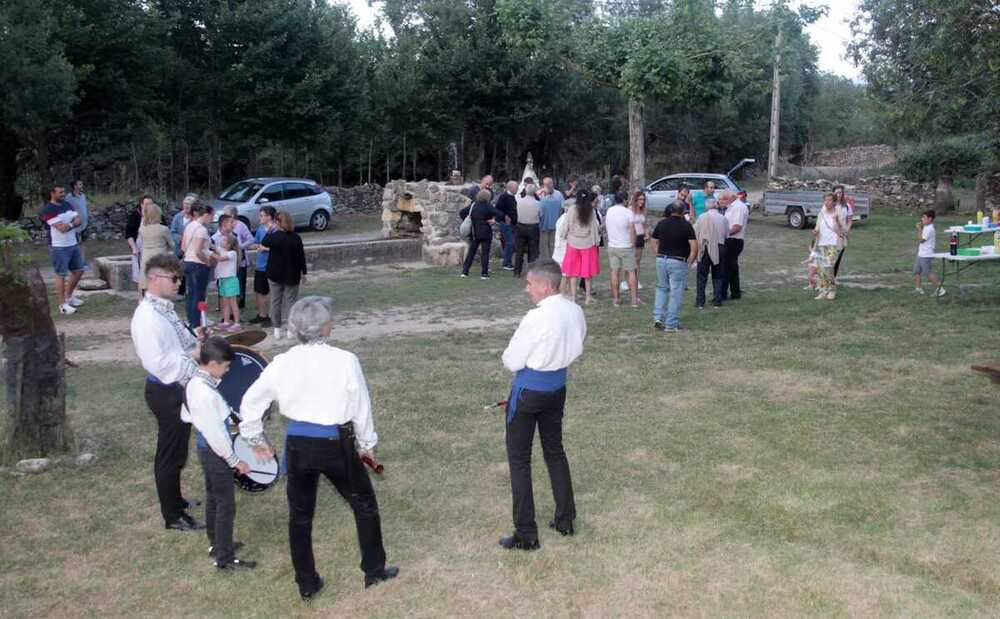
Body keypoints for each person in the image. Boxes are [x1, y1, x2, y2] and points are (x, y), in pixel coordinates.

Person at [239, 296, 398, 600]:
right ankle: (374, 571)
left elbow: (250, 402)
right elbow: (360, 408)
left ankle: (307, 583)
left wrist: (255, 439)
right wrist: (367, 445)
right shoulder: (345, 360)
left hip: (298, 446)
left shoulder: (283, 363)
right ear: (326, 328)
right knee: (364, 506)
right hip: (334, 443)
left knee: (300, 515)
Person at [499, 260, 586, 550]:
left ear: (546, 286)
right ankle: (565, 518)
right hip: (556, 388)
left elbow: (511, 359)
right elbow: (578, 343)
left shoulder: (536, 318)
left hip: (529, 391)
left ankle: (526, 533)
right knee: (554, 450)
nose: (527, 289)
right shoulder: (574, 310)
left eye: (530, 284)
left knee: (519, 459)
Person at [130, 253, 204, 532]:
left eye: (179, 278)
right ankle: (172, 516)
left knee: (177, 451)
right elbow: (158, 364)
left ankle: (177, 501)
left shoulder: (164, 308)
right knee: (169, 454)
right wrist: (194, 356)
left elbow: (178, 343)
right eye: (174, 279)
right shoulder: (146, 317)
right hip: (165, 390)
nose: (178, 284)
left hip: (178, 387)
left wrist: (195, 336)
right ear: (154, 279)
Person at [186, 336, 257, 570]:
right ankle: (225, 558)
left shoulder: (196, 383)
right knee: (226, 504)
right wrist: (235, 460)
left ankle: (217, 544)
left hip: (206, 448)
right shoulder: (205, 393)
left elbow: (185, 414)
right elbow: (216, 434)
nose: (227, 372)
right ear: (213, 364)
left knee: (214, 497)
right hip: (215, 452)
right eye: (226, 367)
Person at [651, 202, 698, 332]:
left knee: (661, 288)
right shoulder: (686, 226)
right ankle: (671, 324)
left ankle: (658, 317)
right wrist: (689, 262)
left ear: (671, 210)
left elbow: (653, 240)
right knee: (675, 292)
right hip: (678, 261)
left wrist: (658, 254)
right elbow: (694, 247)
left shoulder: (662, 223)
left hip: (662, 260)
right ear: (683, 211)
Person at [40, 183, 86, 315]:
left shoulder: (67, 205)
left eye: (63, 191)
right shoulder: (48, 210)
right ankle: (62, 305)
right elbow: (62, 228)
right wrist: (72, 223)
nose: (63, 194)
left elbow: (79, 220)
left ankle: (69, 297)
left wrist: (70, 224)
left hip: (73, 243)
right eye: (60, 192)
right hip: (58, 247)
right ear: (52, 194)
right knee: (61, 274)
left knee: (79, 270)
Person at [262, 211, 307, 339]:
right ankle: (290, 329)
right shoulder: (296, 237)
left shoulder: (275, 236)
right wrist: (304, 273)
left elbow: (264, 242)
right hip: (291, 274)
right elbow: (301, 257)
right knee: (291, 302)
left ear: (277, 222)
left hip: (275, 274)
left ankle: (277, 329)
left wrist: (269, 230)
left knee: (276, 301)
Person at [558, 190, 601, 305]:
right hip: (587, 243)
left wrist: (562, 235)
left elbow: (566, 224)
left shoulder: (572, 209)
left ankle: (573, 297)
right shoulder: (590, 210)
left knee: (573, 272)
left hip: (573, 243)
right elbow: (594, 227)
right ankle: (588, 297)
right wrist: (596, 240)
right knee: (587, 273)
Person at [181, 201, 216, 327]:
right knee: (198, 294)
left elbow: (184, 246)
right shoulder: (201, 230)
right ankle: (196, 323)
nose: (212, 219)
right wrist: (207, 262)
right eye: (212, 216)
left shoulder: (190, 226)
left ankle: (191, 320)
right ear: (206, 215)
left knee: (191, 293)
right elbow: (198, 250)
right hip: (198, 264)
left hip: (188, 262)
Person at [459, 190, 506, 280]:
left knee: (471, 253)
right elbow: (501, 214)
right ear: (488, 197)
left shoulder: (473, 205)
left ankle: (465, 272)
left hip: (474, 232)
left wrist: (469, 219)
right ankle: (484, 274)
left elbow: (461, 212)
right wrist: (494, 220)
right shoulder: (488, 206)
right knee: (485, 253)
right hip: (485, 233)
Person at [604, 191, 638, 307]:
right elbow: (632, 230)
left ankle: (616, 299)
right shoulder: (628, 212)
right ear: (624, 200)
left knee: (614, 272)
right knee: (631, 272)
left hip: (613, 245)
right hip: (625, 246)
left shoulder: (609, 211)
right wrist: (633, 243)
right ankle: (634, 300)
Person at [813, 192, 848, 301]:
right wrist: (815, 231)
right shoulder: (821, 213)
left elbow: (844, 229)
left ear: (834, 202)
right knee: (821, 268)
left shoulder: (838, 213)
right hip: (821, 243)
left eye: (829, 200)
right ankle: (824, 290)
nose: (826, 202)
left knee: (828, 266)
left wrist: (837, 221)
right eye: (825, 200)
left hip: (833, 244)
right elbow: (817, 227)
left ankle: (832, 290)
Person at [694, 197, 728, 309]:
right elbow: (726, 235)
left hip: (705, 247)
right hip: (720, 246)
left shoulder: (702, 217)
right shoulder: (723, 218)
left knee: (702, 275)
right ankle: (717, 300)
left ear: (707, 206)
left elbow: (696, 232)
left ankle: (700, 302)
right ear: (716, 205)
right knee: (718, 274)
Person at [138, 201, 173, 297]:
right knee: (159, 285)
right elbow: (171, 244)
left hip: (146, 258)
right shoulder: (163, 229)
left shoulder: (142, 229)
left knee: (147, 284)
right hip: (160, 258)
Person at [250, 205, 277, 326]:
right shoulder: (261, 229)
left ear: (269, 217)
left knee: (272, 292)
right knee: (259, 291)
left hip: (272, 266)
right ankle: (262, 315)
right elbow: (255, 242)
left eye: (262, 215)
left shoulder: (277, 230)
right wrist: (256, 246)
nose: (259, 217)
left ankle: (272, 316)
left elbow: (279, 248)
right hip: (260, 266)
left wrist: (265, 248)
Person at [224, 206, 254, 309]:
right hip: (227, 260)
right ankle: (229, 307)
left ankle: (240, 306)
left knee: (240, 283)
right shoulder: (225, 225)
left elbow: (250, 239)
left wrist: (240, 246)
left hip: (240, 260)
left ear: (232, 214)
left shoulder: (241, 226)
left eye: (226, 213)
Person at [722, 190, 749, 301]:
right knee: (733, 267)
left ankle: (722, 294)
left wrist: (723, 234)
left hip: (734, 240)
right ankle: (735, 292)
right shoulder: (732, 206)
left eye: (724, 198)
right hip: (733, 240)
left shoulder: (738, 207)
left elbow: (737, 227)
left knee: (727, 267)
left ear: (731, 197)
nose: (723, 201)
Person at [170, 194, 198, 296]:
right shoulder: (178, 217)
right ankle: (179, 292)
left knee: (190, 271)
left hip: (191, 250)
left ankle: (191, 291)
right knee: (178, 271)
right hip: (179, 249)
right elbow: (172, 231)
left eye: (188, 204)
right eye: (185, 203)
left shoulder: (195, 219)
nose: (186, 206)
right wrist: (180, 238)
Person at [914, 209, 946, 296]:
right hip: (921, 253)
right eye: (922, 217)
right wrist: (920, 229)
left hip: (926, 254)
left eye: (924, 217)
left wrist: (919, 229)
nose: (922, 219)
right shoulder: (926, 228)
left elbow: (921, 240)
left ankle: (940, 289)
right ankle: (918, 288)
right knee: (917, 271)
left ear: (930, 219)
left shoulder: (929, 229)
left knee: (928, 272)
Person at [214, 233, 241, 331]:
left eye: (224, 240)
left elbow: (221, 258)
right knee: (225, 303)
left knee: (233, 302)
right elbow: (214, 247)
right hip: (222, 280)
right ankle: (226, 321)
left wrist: (210, 254)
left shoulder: (232, 253)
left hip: (231, 280)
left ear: (230, 244)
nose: (222, 241)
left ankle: (237, 323)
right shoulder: (221, 250)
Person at [513, 183, 541, 277]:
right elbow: (540, 215)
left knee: (519, 250)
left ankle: (517, 272)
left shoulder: (519, 201)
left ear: (525, 191)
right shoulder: (538, 203)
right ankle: (531, 272)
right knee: (533, 251)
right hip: (533, 227)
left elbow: (516, 212)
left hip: (520, 226)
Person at [127, 195, 152, 294]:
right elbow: (128, 234)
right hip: (139, 248)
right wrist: (134, 248)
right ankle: (141, 298)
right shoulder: (135, 215)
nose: (148, 206)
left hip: (152, 248)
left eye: (151, 204)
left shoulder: (157, 215)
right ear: (141, 205)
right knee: (140, 277)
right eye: (146, 204)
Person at [628, 191, 649, 299]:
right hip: (633, 237)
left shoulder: (642, 211)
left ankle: (636, 280)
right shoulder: (630, 210)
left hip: (640, 237)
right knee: (631, 261)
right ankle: (628, 281)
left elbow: (644, 224)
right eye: (640, 199)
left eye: (643, 199)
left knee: (638, 261)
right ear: (635, 200)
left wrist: (647, 234)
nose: (642, 201)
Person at [538, 177, 564, 259]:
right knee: (551, 243)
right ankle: (552, 259)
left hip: (544, 225)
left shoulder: (542, 200)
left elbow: (539, 213)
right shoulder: (557, 200)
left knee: (545, 244)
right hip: (554, 223)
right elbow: (561, 209)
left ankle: (547, 260)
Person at [832, 185, 855, 278]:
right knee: (829, 258)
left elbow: (850, 220)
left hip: (842, 236)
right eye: (837, 192)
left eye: (840, 192)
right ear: (833, 193)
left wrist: (847, 230)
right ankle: (826, 279)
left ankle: (833, 278)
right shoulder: (830, 205)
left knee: (838, 258)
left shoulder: (846, 206)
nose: (839, 194)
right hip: (831, 235)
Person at [495, 181, 519, 271]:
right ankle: (506, 263)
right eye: (516, 187)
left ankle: (508, 261)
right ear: (511, 188)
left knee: (512, 243)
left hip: (513, 224)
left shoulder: (512, 196)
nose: (517, 189)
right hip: (506, 224)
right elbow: (497, 210)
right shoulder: (503, 197)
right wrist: (504, 216)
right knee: (510, 242)